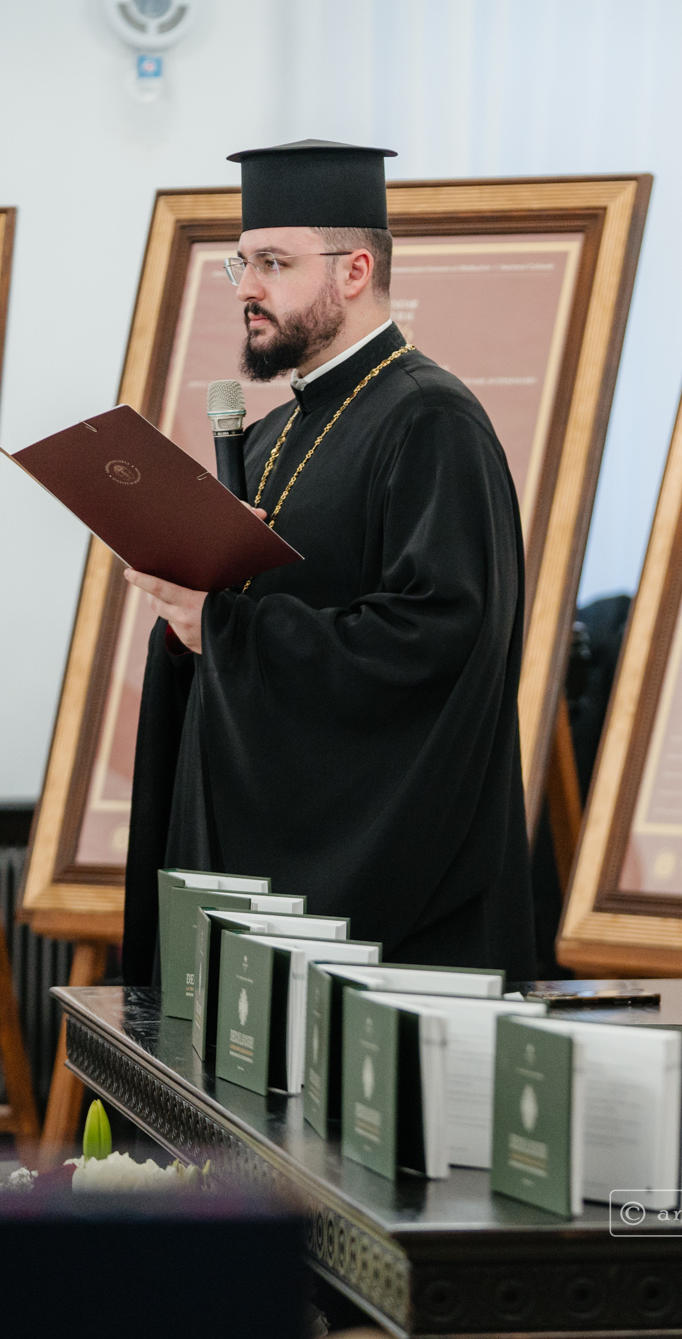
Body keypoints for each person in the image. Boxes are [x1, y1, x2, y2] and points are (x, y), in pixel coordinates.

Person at [120, 140, 535, 984]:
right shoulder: (269, 435)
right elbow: (241, 635)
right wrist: (190, 625)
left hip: (395, 923)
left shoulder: (431, 422)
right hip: (264, 885)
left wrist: (230, 630)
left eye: (274, 263)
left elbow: (436, 645)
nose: (247, 287)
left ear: (355, 270)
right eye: (241, 262)